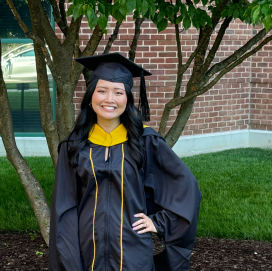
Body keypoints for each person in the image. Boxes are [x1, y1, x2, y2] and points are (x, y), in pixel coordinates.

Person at [49, 53, 201, 271]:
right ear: (91, 97)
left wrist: (157, 222)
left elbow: (186, 189)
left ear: (127, 99)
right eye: (101, 91)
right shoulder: (74, 145)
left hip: (133, 249)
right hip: (87, 247)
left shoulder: (146, 142)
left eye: (118, 92)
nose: (109, 99)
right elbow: (64, 207)